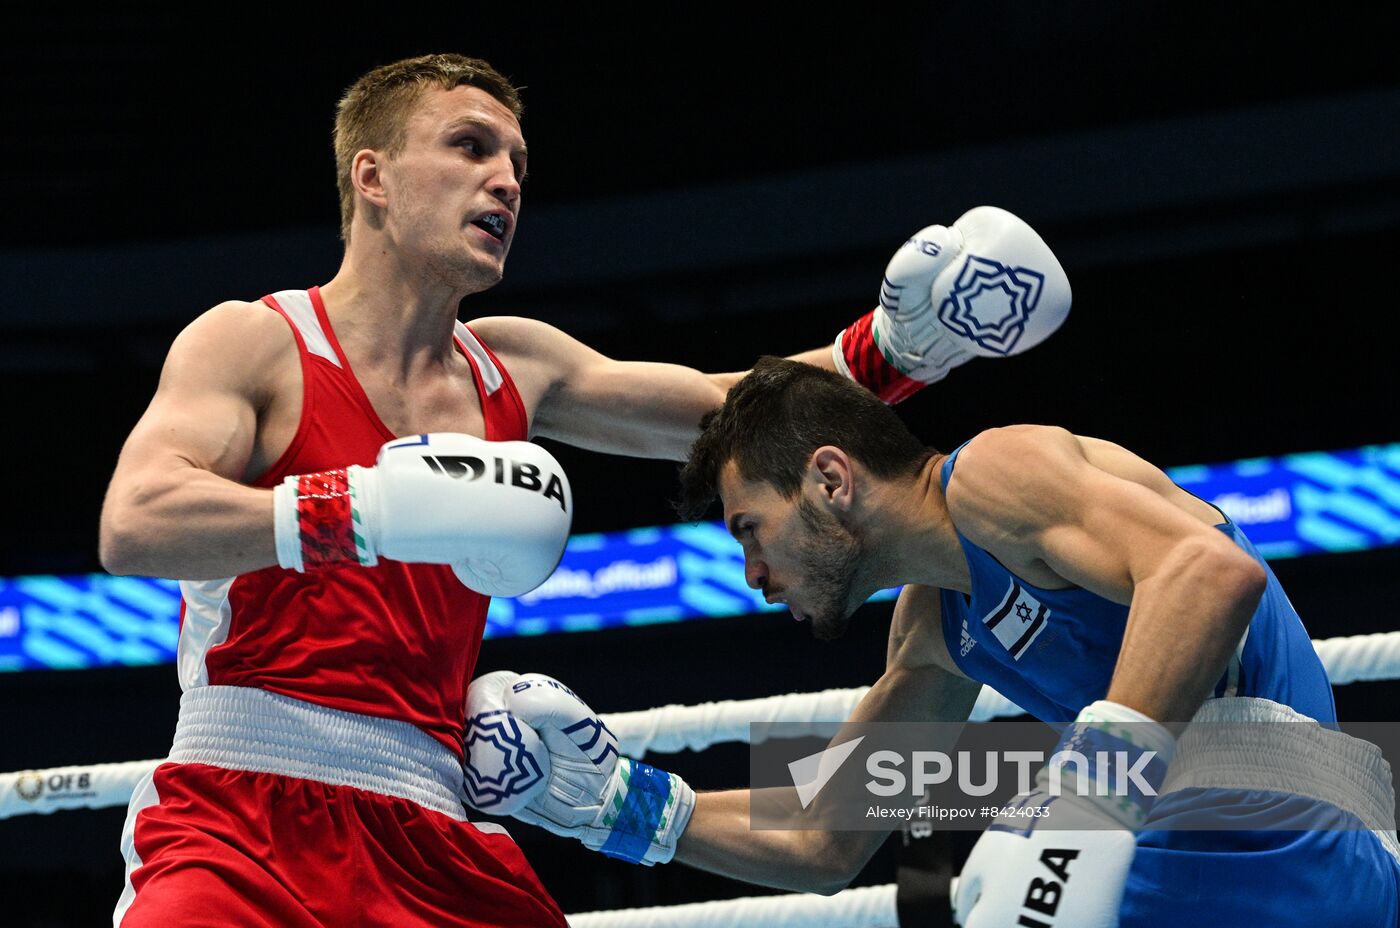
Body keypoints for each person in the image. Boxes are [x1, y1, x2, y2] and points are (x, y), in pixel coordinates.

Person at [98, 51, 1070, 926]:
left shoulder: (512, 367)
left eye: (517, 162)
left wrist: (898, 347)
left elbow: (726, 408)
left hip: (434, 828)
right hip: (241, 815)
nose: (505, 181)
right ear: (374, 177)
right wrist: (367, 508)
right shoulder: (257, 342)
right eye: (471, 148)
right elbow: (135, 521)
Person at [476, 357, 1400, 926]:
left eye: (748, 528)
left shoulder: (998, 476)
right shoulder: (937, 625)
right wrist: (613, 805)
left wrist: (1084, 806)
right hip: (1202, 878)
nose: (753, 575)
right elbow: (828, 836)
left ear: (829, 479)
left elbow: (1211, 573)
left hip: (1289, 842)